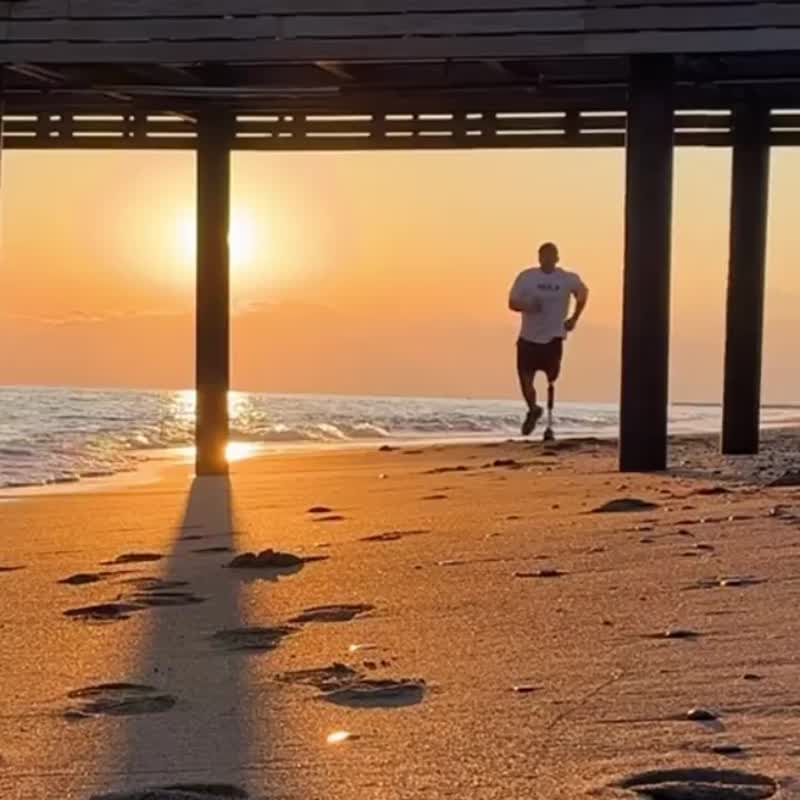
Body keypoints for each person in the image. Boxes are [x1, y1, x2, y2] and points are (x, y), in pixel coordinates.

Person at [508, 242, 589, 436]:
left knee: (552, 377)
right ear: (538, 257)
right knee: (525, 379)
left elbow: (583, 293)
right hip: (528, 337)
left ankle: (549, 423)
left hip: (553, 337)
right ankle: (534, 409)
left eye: (551, 256)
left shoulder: (566, 279)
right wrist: (526, 305)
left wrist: (574, 318)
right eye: (543, 256)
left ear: (557, 258)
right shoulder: (527, 277)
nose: (547, 260)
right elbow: (512, 302)